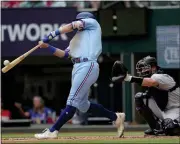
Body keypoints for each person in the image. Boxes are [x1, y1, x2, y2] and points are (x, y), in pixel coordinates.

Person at [34, 12, 125, 139]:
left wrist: (51, 35)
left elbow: (71, 26)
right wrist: (47, 46)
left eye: (80, 22)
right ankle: (116, 117)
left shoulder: (93, 24)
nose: (78, 25)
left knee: (72, 101)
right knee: (82, 105)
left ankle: (53, 131)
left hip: (87, 64)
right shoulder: (76, 40)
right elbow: (65, 55)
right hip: (77, 67)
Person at [111, 56, 180, 136]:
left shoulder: (160, 76)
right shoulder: (150, 78)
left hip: (176, 109)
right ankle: (155, 128)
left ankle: (171, 126)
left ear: (154, 68)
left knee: (170, 127)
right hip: (164, 110)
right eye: (141, 69)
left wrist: (128, 78)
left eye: (145, 68)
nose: (142, 71)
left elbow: (151, 82)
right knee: (140, 97)